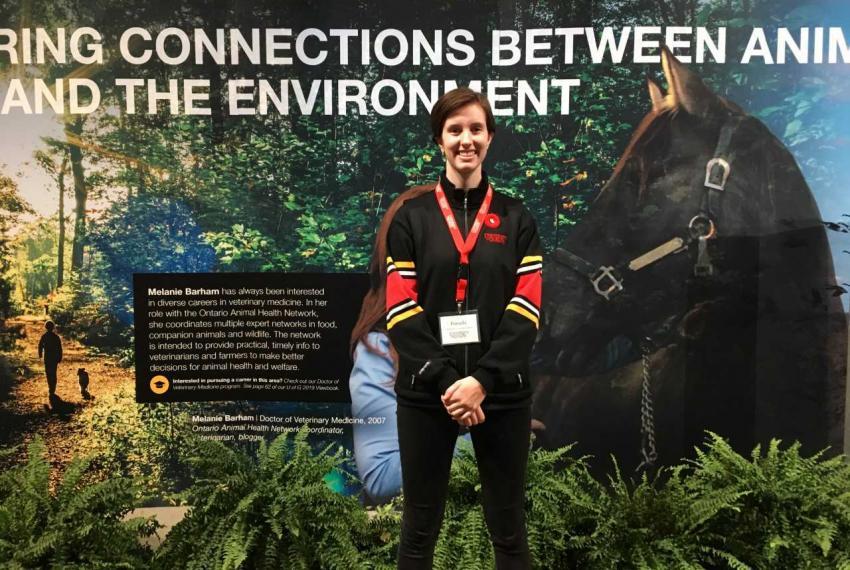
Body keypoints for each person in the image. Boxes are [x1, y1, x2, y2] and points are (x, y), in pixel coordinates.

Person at [386, 88, 542, 569]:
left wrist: (483, 381)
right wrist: (451, 382)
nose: (465, 139)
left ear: (490, 137)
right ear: (440, 140)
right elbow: (399, 309)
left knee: (510, 532)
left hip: (501, 392)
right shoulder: (411, 218)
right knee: (417, 532)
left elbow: (527, 308)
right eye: (455, 130)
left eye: (476, 128)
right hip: (428, 392)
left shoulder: (517, 218)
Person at [38, 320, 63, 406]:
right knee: (54, 372)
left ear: (46, 327)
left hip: (47, 358)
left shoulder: (44, 336)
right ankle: (53, 388)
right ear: (53, 327)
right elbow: (60, 348)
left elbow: (40, 346)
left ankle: (50, 387)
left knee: (48, 373)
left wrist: (40, 354)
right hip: (54, 358)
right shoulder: (56, 337)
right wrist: (60, 357)